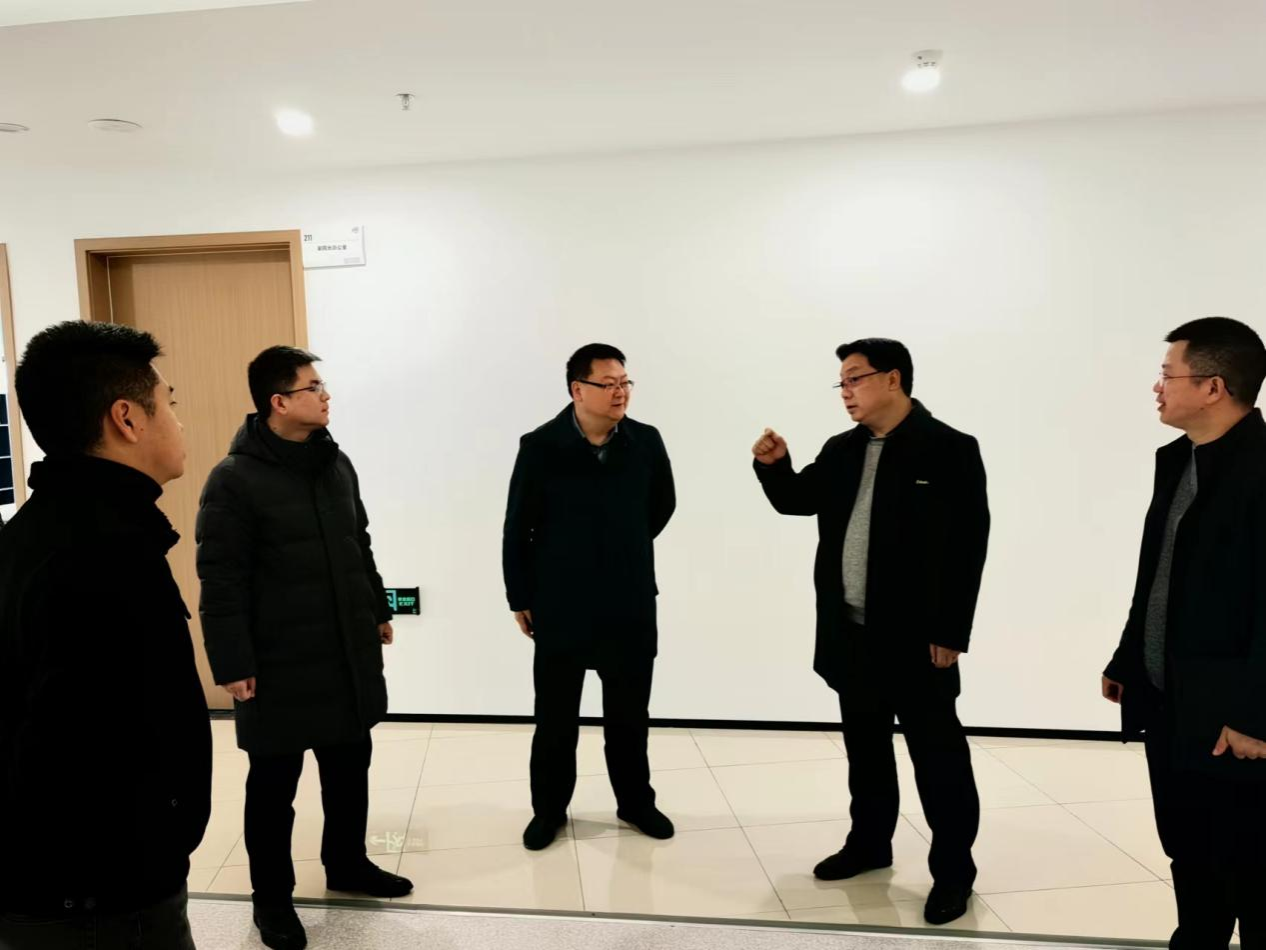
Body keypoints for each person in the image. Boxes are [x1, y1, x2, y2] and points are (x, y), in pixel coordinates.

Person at [752, 338, 989, 925]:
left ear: (893, 379)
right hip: (851, 632)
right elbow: (798, 500)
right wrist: (775, 466)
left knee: (938, 758)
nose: (846, 392)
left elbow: (968, 546)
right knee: (866, 750)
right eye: (841, 382)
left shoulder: (950, 448)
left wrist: (951, 630)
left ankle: (953, 871)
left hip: (918, 639)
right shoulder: (842, 449)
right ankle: (869, 844)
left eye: (854, 378)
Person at [0, 321, 210, 948]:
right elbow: (87, 744)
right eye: (169, 403)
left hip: (59, 885)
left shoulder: (35, 533)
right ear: (127, 418)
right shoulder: (103, 554)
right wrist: (163, 842)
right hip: (103, 899)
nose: (179, 422)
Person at [197, 346, 411, 950]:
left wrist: (378, 608)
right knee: (273, 788)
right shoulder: (233, 480)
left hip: (343, 649)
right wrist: (232, 662)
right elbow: (221, 579)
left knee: (350, 767)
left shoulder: (335, 463)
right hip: (277, 663)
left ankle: (347, 864)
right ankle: (272, 901)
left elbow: (357, 542)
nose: (325, 395)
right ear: (279, 402)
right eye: (313, 387)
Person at [1103, 317, 1266, 950]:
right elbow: (1158, 573)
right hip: (1172, 697)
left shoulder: (1260, 470)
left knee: (1249, 862)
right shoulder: (1178, 461)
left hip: (1232, 715)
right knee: (1188, 847)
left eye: (1168, 375)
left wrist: (1254, 715)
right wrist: (1128, 657)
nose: (1157, 387)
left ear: (1213, 387)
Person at [503, 343, 676, 851]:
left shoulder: (646, 441)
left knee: (630, 716)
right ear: (578, 390)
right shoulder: (540, 445)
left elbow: (662, 505)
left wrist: (621, 546)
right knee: (555, 718)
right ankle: (549, 810)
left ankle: (636, 802)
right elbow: (518, 525)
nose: (620, 392)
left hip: (629, 599)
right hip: (561, 602)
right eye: (608, 383)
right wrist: (520, 594)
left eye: (625, 382)